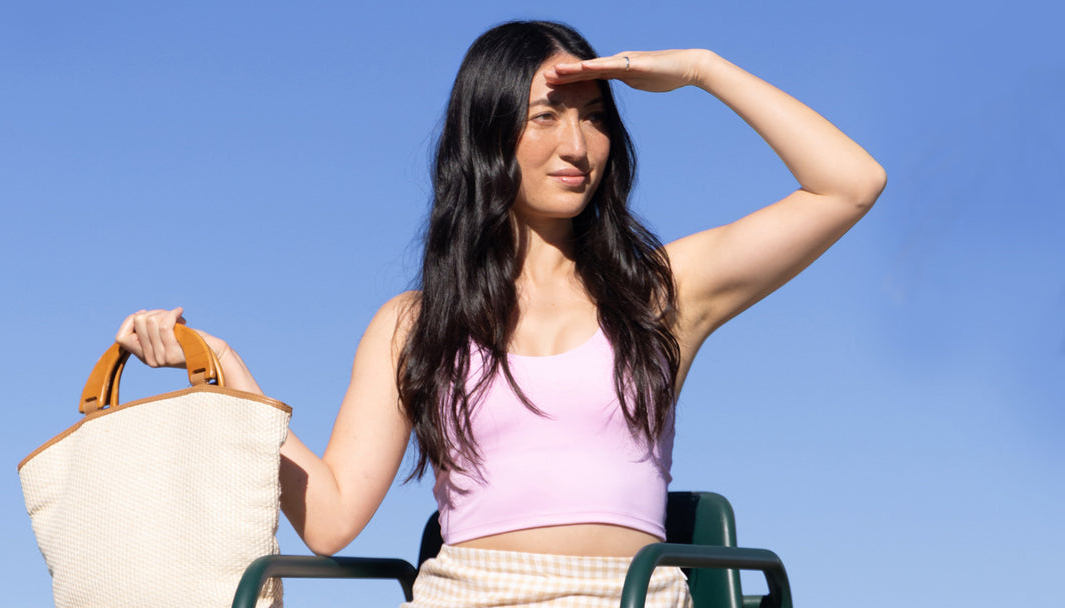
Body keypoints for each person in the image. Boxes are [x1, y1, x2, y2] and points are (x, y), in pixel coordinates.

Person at [117, 20, 885, 608]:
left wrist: (702, 71)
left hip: (630, 595)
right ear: (487, 137)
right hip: (469, 593)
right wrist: (229, 378)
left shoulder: (662, 290)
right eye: (546, 115)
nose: (577, 144)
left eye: (595, 118)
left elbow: (849, 183)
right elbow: (330, 519)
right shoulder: (414, 324)